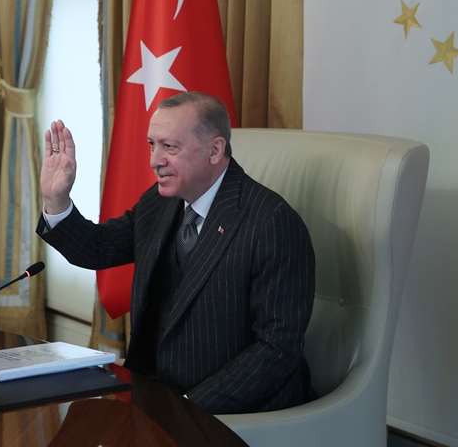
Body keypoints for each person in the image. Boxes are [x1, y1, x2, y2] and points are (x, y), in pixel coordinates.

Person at [37, 91, 315, 414]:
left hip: (233, 412)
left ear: (215, 150)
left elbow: (276, 350)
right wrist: (57, 201)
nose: (155, 160)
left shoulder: (272, 223)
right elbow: (99, 248)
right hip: (157, 394)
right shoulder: (160, 202)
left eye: (170, 147)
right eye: (151, 144)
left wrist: (186, 410)